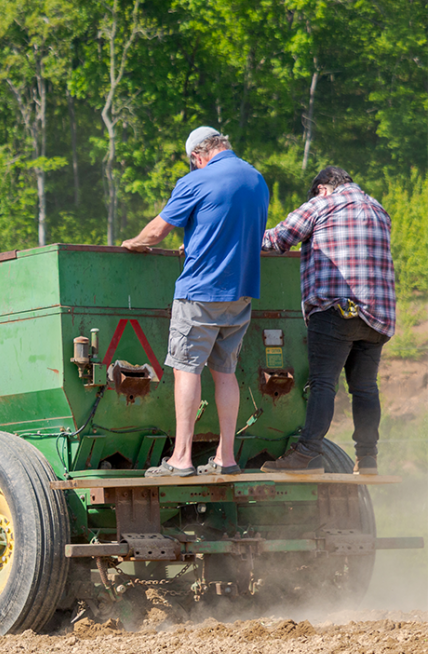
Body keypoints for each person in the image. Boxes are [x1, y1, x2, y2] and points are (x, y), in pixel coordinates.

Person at [122, 126, 269, 477]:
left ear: (197, 157)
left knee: (186, 369)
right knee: (226, 374)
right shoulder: (256, 180)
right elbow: (232, 227)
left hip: (201, 292)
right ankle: (226, 458)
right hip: (242, 293)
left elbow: (156, 232)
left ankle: (182, 458)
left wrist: (134, 242)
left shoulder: (196, 180)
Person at [260, 167, 395, 475]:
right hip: (377, 315)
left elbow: (277, 240)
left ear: (322, 188)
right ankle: (368, 458)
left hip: (336, 308)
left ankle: (306, 454)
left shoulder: (322, 204)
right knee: (364, 388)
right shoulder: (379, 210)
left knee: (323, 384)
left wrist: (230, 241)